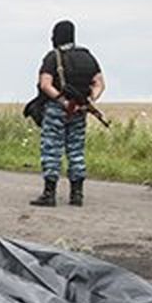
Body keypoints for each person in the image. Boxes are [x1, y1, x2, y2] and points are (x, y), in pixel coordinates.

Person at [30, 20, 104, 207]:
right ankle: (77, 195)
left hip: (57, 109)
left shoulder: (53, 57)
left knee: (52, 150)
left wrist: (63, 101)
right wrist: (89, 101)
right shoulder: (87, 57)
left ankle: (49, 194)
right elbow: (99, 83)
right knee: (76, 150)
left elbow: (45, 84)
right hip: (80, 110)